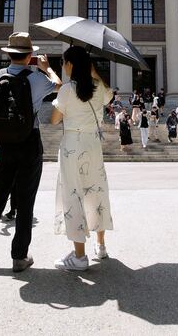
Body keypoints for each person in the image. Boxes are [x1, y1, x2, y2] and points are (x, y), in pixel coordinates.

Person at [0, 32, 62, 273]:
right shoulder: (37, 79)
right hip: (28, 141)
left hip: (3, 143)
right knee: (25, 200)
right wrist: (47, 67)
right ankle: (19, 257)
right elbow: (59, 85)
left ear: (8, 54)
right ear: (30, 55)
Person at [50, 45, 114, 271]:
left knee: (73, 194)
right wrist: (94, 71)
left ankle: (79, 256)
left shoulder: (67, 90)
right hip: (93, 145)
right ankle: (101, 245)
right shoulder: (98, 88)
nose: (64, 66)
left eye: (64, 62)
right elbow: (109, 96)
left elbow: (55, 119)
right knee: (96, 191)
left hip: (72, 147)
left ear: (70, 65)